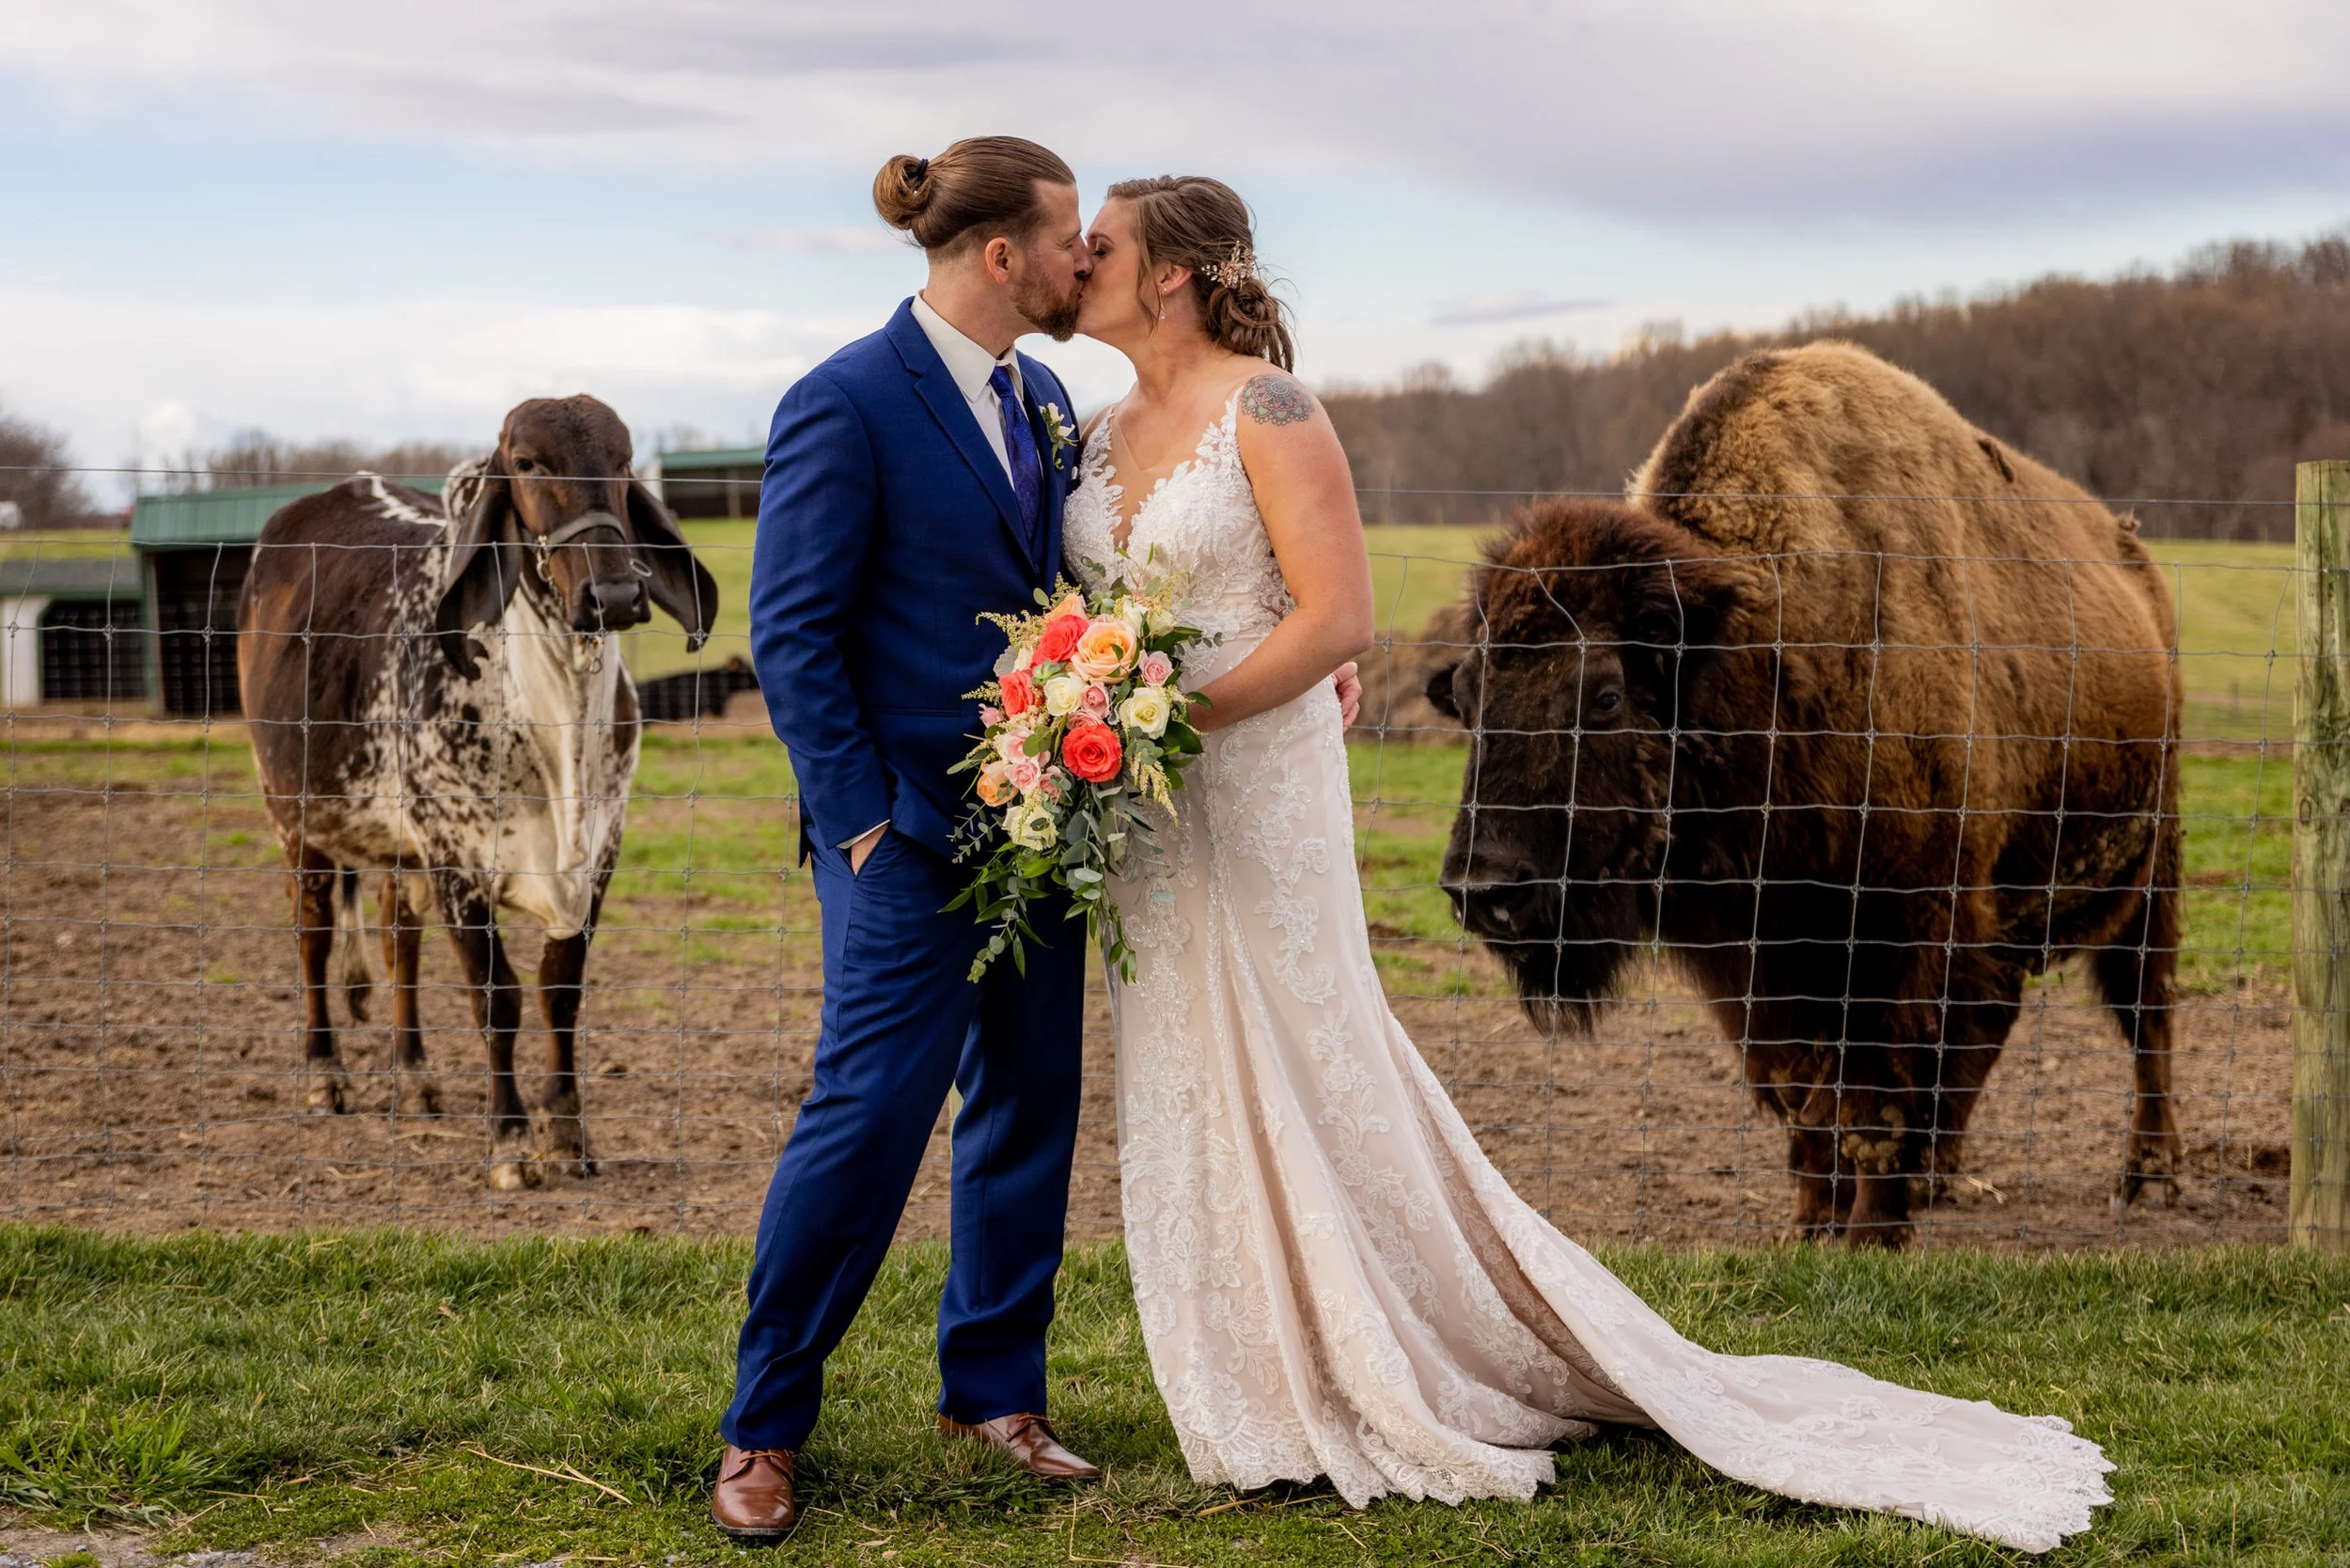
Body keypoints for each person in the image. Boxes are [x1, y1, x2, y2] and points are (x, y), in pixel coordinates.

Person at [1060, 175, 2115, 1555]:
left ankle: (1395, 1345)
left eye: (1101, 243)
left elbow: (1336, 612)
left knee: (1314, 1052)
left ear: (1171, 274)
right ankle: (1245, 1353)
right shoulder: (1084, 429)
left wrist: (1182, 710)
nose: (1078, 258)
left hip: (1229, 769)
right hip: (1150, 803)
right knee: (1197, 1063)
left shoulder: (1271, 408)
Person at [715, 133, 1366, 1544]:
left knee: (1028, 1106)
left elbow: (1105, 590)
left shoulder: (1050, 398)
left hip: (1048, 826)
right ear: (1005, 254)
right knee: (866, 1122)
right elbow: (793, 637)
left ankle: (995, 1394)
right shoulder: (845, 400)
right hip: (903, 836)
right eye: (1071, 238)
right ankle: (764, 1426)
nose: (1085, 260)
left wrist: (1292, 641)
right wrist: (863, 828)